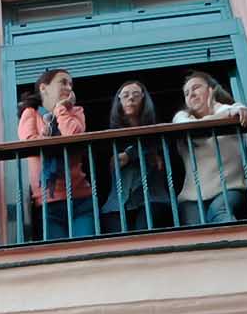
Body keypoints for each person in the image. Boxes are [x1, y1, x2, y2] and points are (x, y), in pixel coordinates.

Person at [171, 69, 247, 226]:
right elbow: (190, 127)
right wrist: (225, 115)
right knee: (196, 232)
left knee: (219, 211)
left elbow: (233, 110)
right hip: (192, 197)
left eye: (196, 88)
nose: (191, 94)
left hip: (230, 188)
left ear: (211, 89)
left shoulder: (230, 110)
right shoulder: (181, 117)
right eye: (187, 92)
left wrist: (225, 108)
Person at [18, 68, 95, 241]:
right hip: (48, 203)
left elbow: (73, 134)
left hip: (81, 198)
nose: (68, 87)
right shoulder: (31, 114)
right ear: (44, 88)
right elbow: (30, 142)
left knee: (86, 253)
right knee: (59, 258)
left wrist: (61, 109)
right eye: (63, 82)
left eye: (70, 84)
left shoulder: (76, 112)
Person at [102, 80, 176, 233]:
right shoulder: (111, 136)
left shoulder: (157, 132)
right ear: (119, 100)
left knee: (145, 233)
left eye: (136, 94)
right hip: (117, 205)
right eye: (126, 95)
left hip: (152, 199)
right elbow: (111, 164)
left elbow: (162, 159)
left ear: (144, 98)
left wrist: (129, 155)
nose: (131, 98)